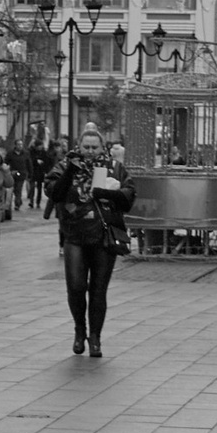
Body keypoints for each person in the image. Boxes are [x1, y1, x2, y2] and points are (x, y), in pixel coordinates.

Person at [51, 134, 133, 356]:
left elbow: (129, 197)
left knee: (98, 290)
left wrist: (107, 192)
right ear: (79, 147)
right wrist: (69, 170)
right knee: (76, 286)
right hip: (74, 235)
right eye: (85, 147)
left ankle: (95, 337)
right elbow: (54, 192)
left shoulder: (114, 167)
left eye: (93, 147)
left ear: (102, 147)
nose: (89, 151)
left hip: (103, 235)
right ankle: (80, 329)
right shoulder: (65, 166)